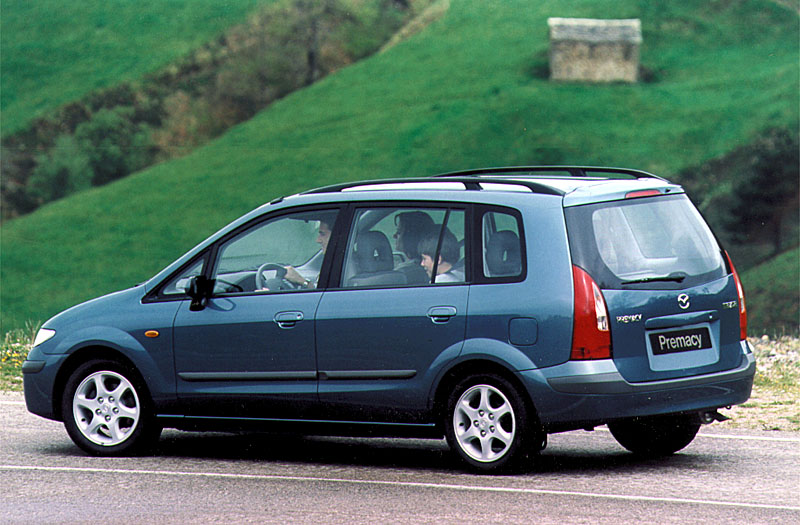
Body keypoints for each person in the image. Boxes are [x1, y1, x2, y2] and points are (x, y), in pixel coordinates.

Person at [283, 216, 333, 289]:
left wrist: (303, 282)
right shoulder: (339, 262)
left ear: (337, 235)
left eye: (323, 234)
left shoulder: (345, 266)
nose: (318, 240)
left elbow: (321, 295)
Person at [393, 211, 435, 284]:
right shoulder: (430, 268)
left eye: (399, 232)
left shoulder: (404, 274)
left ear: (411, 236)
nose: (394, 236)